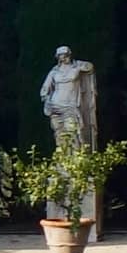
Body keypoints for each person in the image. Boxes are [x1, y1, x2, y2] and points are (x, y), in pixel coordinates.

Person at [37, 48, 102, 223]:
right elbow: (44, 90)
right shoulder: (54, 72)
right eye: (60, 55)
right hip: (57, 106)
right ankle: (63, 163)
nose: (63, 58)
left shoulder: (76, 67)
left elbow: (90, 67)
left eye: (65, 55)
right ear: (57, 57)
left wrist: (80, 65)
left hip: (72, 107)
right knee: (60, 137)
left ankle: (77, 164)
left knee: (75, 134)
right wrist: (48, 102)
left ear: (69, 55)